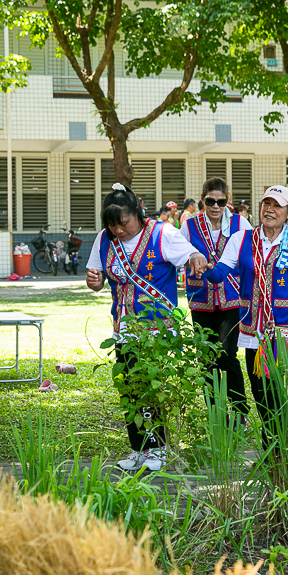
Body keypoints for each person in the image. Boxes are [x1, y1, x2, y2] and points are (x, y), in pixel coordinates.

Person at [195, 185, 288, 446]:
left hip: (284, 330)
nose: (270, 209)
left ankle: (284, 441)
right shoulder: (241, 239)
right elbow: (221, 273)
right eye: (266, 203)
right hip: (253, 328)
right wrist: (206, 270)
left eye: (277, 205)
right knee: (259, 389)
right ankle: (271, 442)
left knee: (280, 389)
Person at [85, 184, 207, 472]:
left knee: (152, 388)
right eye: (112, 225)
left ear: (137, 214)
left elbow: (191, 255)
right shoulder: (104, 239)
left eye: (123, 223)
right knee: (129, 388)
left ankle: (159, 449)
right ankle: (139, 449)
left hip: (158, 331)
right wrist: (94, 282)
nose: (118, 230)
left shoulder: (162, 233)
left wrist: (196, 259)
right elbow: (97, 278)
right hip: (124, 327)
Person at [181, 177, 253, 421]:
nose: (215, 206)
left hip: (232, 299)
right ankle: (215, 411)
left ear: (227, 201)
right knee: (206, 359)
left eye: (220, 201)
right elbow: (179, 254)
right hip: (201, 298)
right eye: (210, 200)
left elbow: (251, 255)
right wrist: (191, 260)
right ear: (203, 200)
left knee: (226, 354)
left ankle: (240, 410)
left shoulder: (239, 223)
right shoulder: (189, 226)